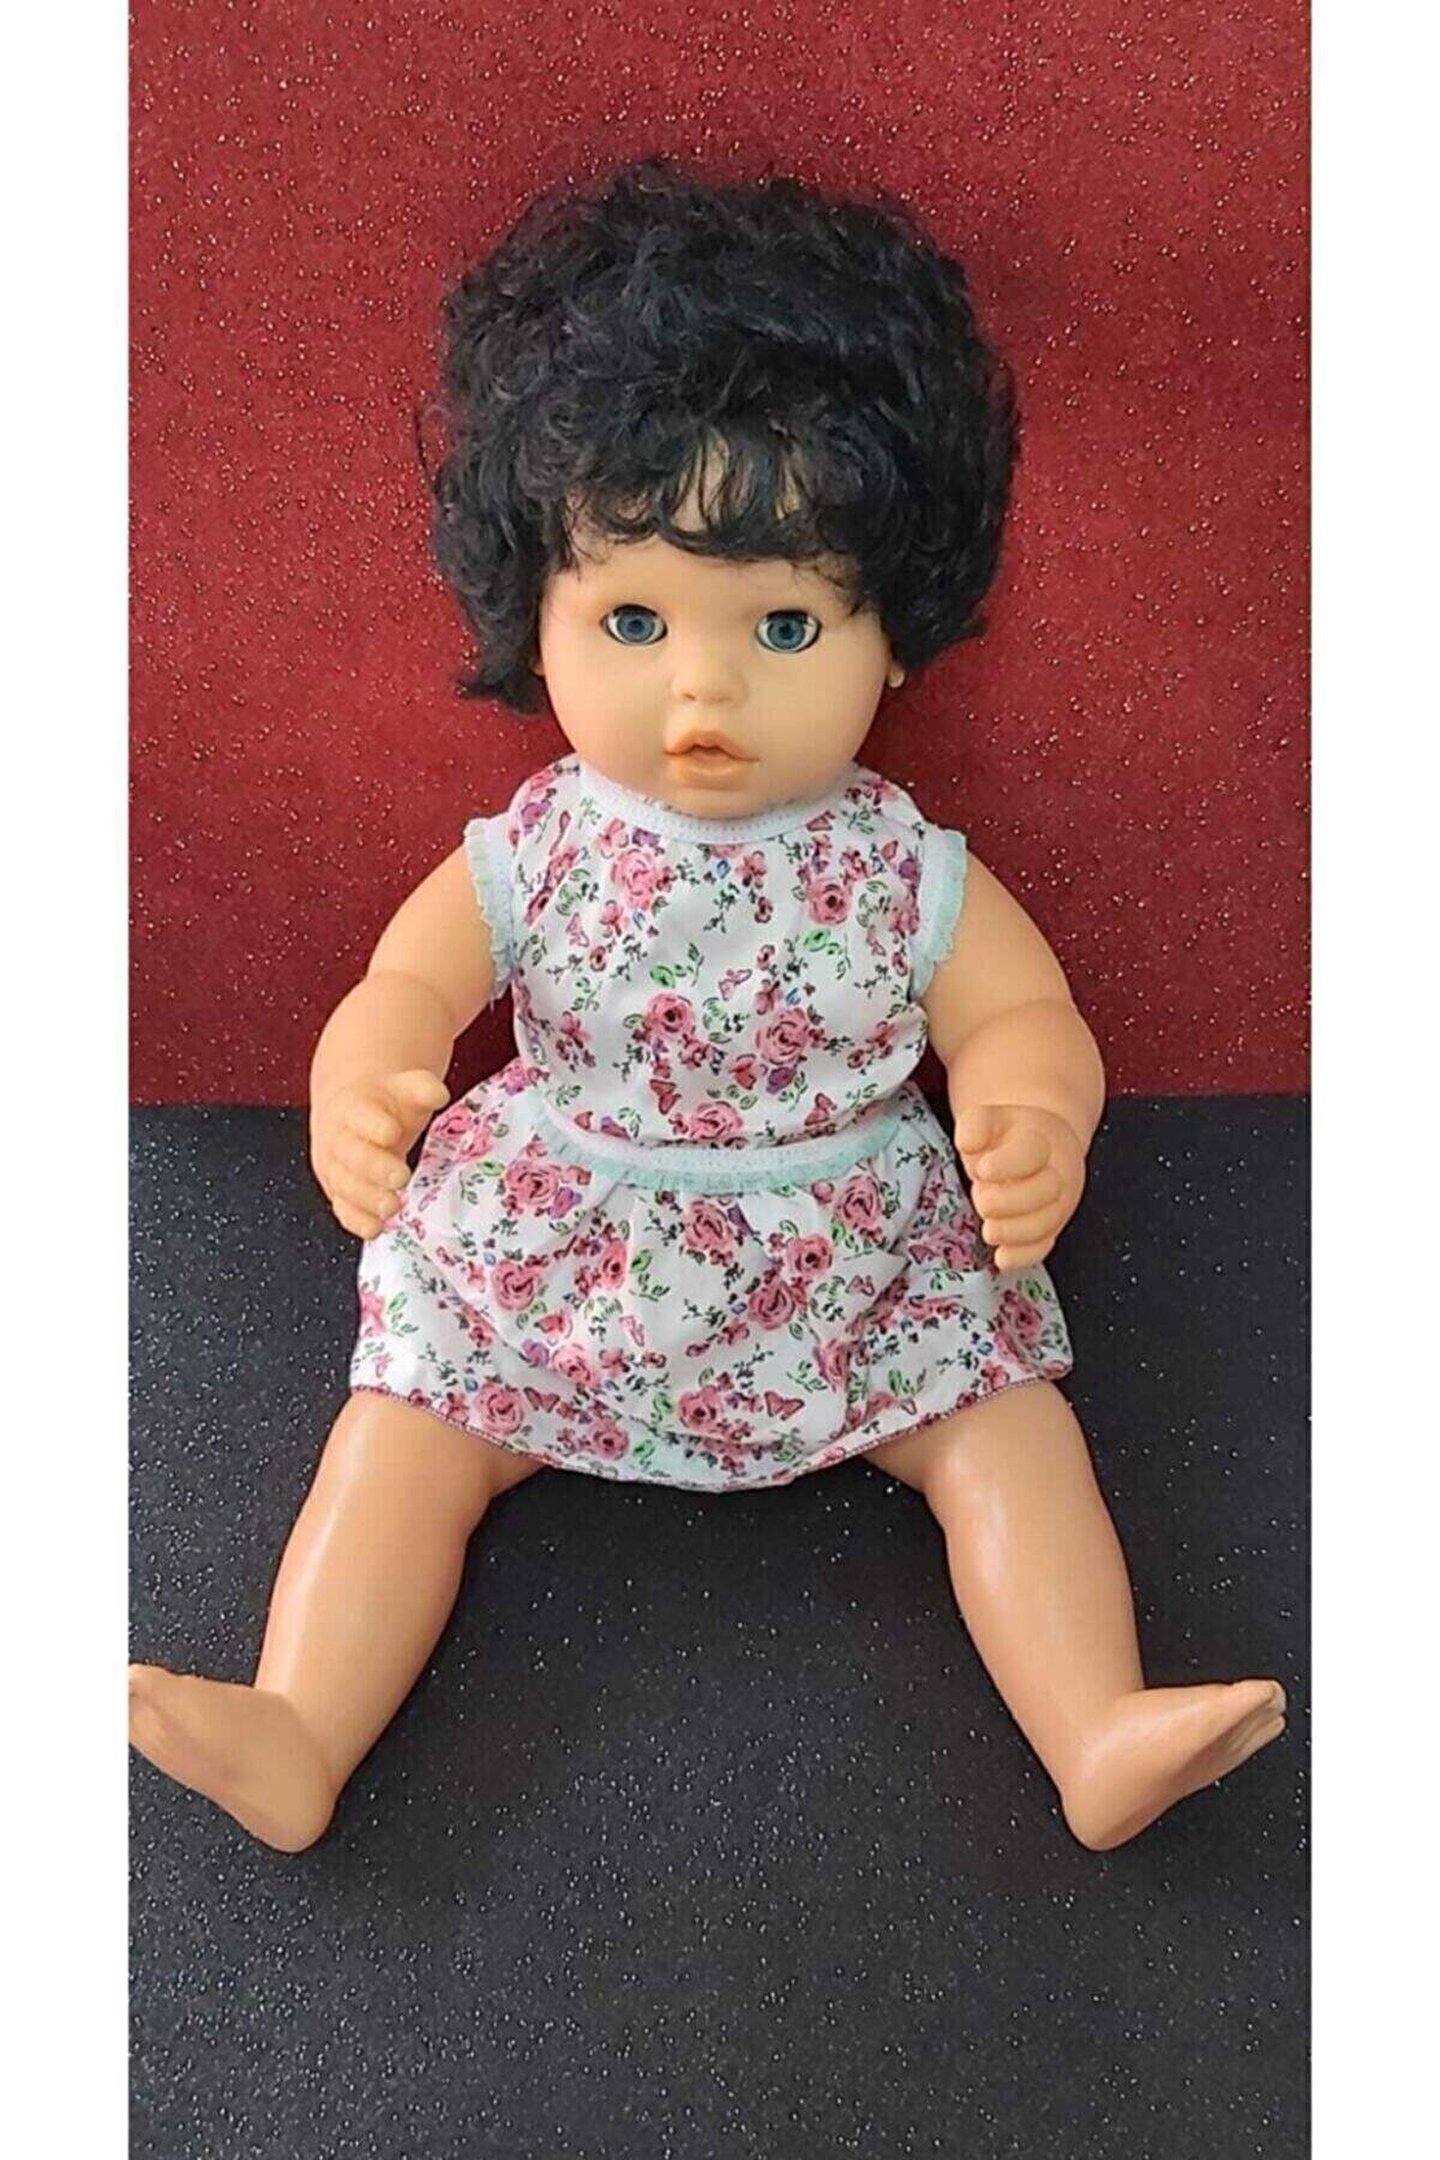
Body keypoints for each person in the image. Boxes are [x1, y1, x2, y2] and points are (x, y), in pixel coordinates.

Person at [129, 158, 1285, 1854]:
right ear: (534, 614)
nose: (705, 686)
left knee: (1005, 1432)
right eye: (634, 616)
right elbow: (408, 978)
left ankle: (1093, 1722)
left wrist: (1031, 1107)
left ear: (898, 638)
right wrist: (365, 1071)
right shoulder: (538, 845)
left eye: (788, 623)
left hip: (847, 1242)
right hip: (563, 1232)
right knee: (406, 1425)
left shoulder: (899, 864)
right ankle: (301, 1719)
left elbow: (1021, 1013)